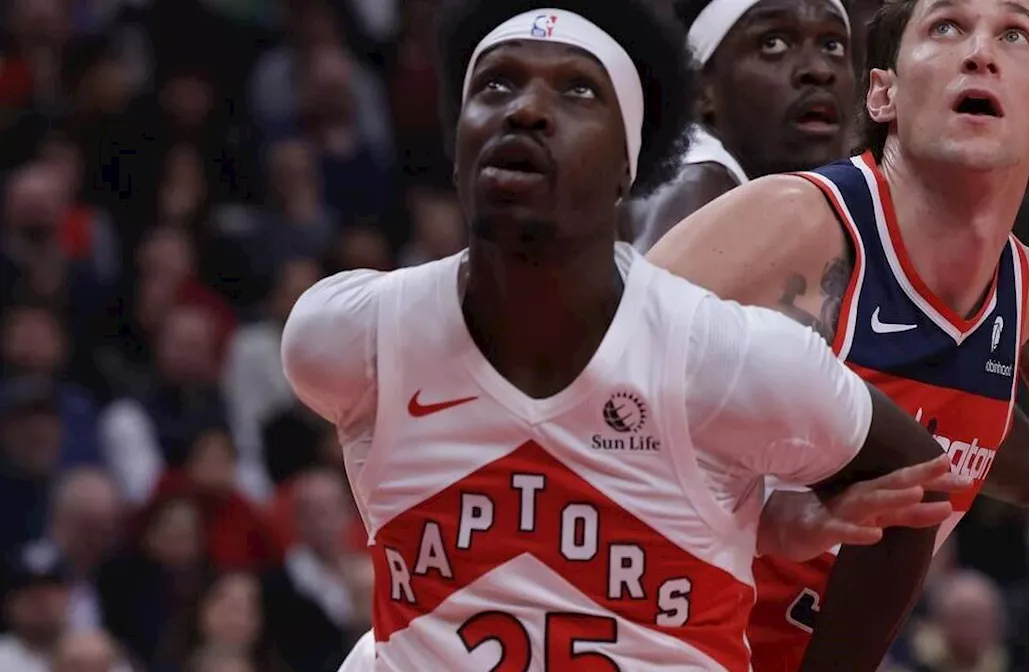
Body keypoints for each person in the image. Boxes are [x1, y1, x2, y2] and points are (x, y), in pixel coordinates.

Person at [282, 0, 969, 668]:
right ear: (457, 148)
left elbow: (919, 479)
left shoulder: (723, 355)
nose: (524, 109)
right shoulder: (351, 334)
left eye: (578, 90)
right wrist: (761, 521)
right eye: (496, 84)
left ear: (627, 167)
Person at [648, 0, 1029, 668]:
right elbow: (573, 391)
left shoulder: (1028, 289)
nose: (980, 52)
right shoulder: (791, 224)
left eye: (1015, 33)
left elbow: (985, 464)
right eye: (945, 26)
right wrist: (763, 524)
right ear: (883, 92)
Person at [623, 0, 859, 250]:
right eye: (773, 44)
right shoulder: (697, 185)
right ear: (701, 90)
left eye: (833, 46)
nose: (819, 70)